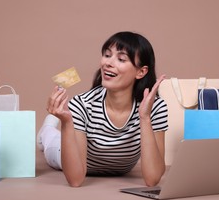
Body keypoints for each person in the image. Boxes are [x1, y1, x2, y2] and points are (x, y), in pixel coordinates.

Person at [37, 31, 168, 187]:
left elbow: (152, 179)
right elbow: (75, 180)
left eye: (121, 59)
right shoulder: (81, 104)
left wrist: (145, 118)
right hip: (64, 154)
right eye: (107, 55)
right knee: (51, 139)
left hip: (120, 169)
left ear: (141, 72)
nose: (108, 63)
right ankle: (47, 128)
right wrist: (66, 122)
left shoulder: (155, 107)